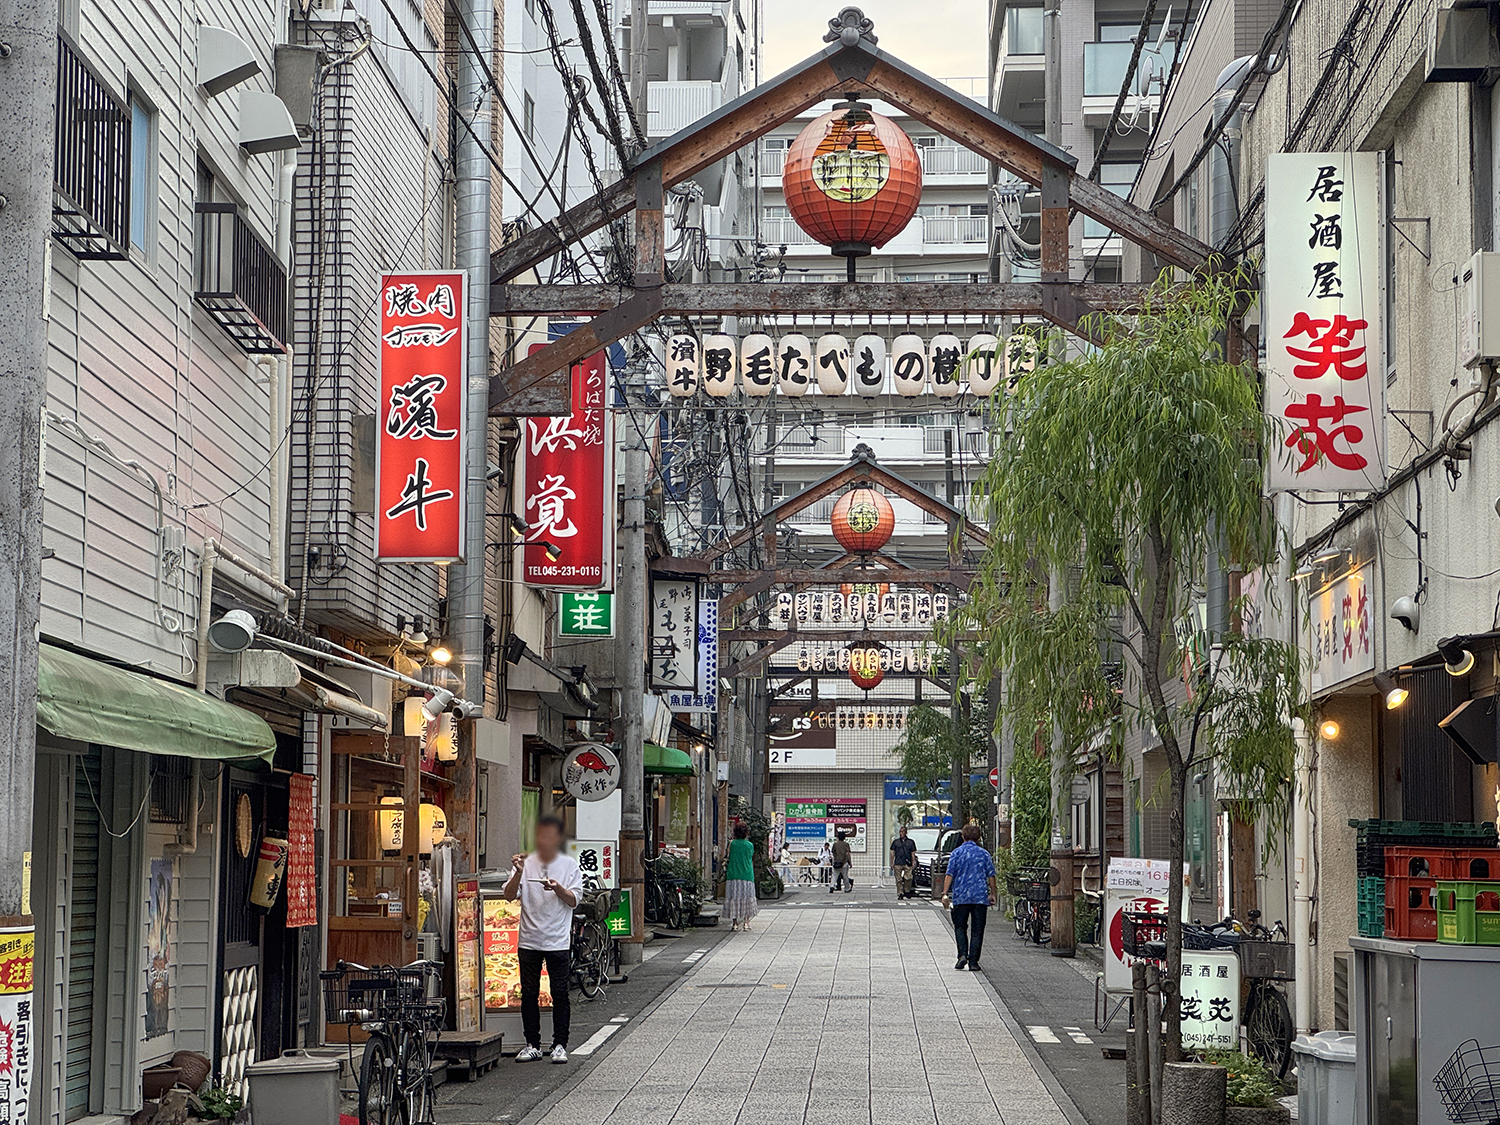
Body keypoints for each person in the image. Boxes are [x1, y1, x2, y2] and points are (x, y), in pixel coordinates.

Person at [504, 815, 583, 1063]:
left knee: (560, 992)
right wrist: (517, 873)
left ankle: (560, 1044)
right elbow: (508, 895)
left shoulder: (569, 865)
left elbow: (573, 900)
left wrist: (557, 888)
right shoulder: (525, 863)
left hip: (557, 940)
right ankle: (532, 1044)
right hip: (529, 939)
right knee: (529, 993)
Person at [941, 823, 996, 971]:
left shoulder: (956, 853)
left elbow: (949, 874)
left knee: (960, 927)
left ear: (963, 836)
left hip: (961, 896)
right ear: (978, 838)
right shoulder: (984, 854)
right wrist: (993, 893)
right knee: (977, 929)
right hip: (979, 897)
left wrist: (945, 893)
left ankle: (962, 955)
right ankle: (973, 962)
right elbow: (991, 876)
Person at [723, 824, 759, 931]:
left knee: (733, 898)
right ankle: (746, 923)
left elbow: (727, 856)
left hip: (733, 874)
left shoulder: (732, 844)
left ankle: (734, 923)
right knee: (747, 899)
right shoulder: (750, 845)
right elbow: (750, 858)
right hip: (747, 875)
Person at [890, 826, 918, 900]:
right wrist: (892, 862)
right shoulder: (896, 842)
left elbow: (913, 853)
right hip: (898, 862)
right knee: (898, 879)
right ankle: (900, 893)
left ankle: (907, 890)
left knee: (908, 878)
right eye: (900, 832)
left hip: (907, 862)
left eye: (903, 832)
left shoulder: (911, 842)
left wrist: (913, 861)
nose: (901, 833)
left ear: (906, 833)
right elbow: (892, 853)